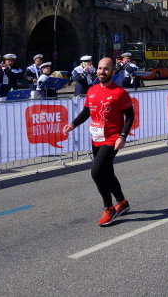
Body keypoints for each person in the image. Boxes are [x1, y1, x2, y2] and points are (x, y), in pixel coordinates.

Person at [62, 58, 135, 227]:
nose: (102, 71)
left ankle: (108, 208)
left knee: (96, 172)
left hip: (112, 138)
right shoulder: (92, 90)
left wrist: (122, 136)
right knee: (107, 172)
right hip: (96, 138)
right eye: (100, 68)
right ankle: (122, 202)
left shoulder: (120, 93)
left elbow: (130, 116)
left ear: (113, 71)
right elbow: (87, 111)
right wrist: (73, 124)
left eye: (106, 69)